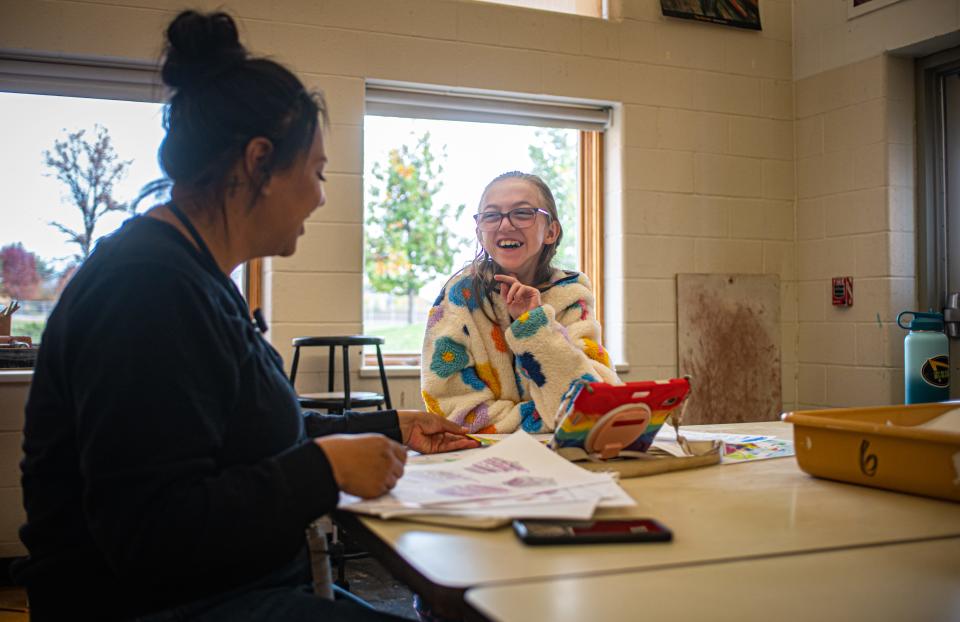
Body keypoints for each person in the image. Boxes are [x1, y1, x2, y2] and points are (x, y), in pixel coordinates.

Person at [13, 10, 476, 622]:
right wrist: (323, 469)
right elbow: (150, 532)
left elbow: (235, 441)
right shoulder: (146, 289)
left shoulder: (190, 272)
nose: (320, 194)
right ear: (259, 161)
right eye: (314, 172)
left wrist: (390, 429)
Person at [420, 172, 620, 435]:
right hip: (481, 457)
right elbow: (453, 409)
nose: (505, 225)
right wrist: (549, 420)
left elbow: (595, 401)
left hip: (563, 459)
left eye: (523, 213)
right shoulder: (458, 298)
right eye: (491, 215)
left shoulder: (572, 295)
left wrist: (534, 326)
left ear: (551, 231)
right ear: (480, 233)